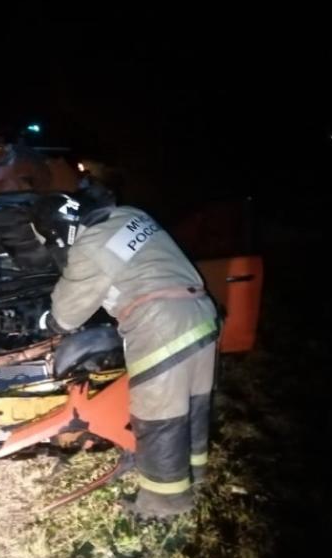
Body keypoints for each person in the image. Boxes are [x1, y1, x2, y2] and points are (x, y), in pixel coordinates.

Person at [32, 187, 219, 519]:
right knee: (192, 405)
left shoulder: (89, 245)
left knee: (159, 417)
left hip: (160, 324)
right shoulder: (131, 214)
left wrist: (47, 321)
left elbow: (67, 316)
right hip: (200, 313)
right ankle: (194, 476)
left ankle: (163, 507)